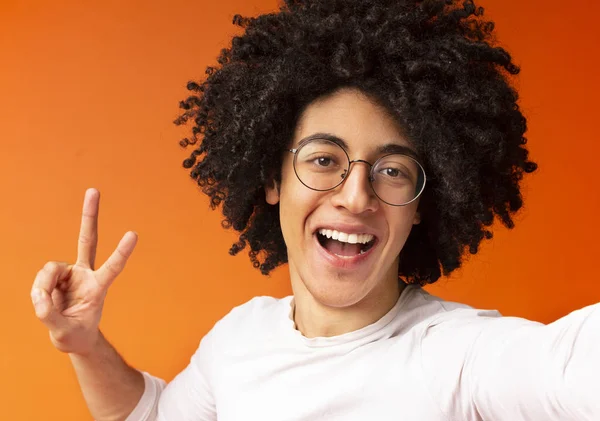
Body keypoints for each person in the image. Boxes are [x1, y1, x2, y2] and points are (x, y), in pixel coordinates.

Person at [30, 0, 599, 420]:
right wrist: (84, 344)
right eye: (325, 159)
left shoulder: (458, 355)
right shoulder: (240, 337)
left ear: (423, 206)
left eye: (393, 171)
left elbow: (570, 367)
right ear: (274, 178)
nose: (356, 197)